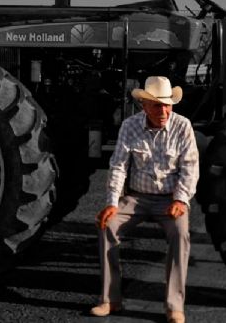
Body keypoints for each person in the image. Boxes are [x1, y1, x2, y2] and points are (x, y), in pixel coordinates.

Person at [91, 76, 199, 323]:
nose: (163, 111)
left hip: (170, 200)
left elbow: (190, 168)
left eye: (167, 105)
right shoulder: (129, 126)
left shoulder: (183, 126)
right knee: (107, 225)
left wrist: (181, 200)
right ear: (145, 106)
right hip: (136, 199)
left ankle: (174, 306)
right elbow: (118, 166)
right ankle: (110, 299)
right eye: (157, 105)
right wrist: (112, 202)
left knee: (180, 234)